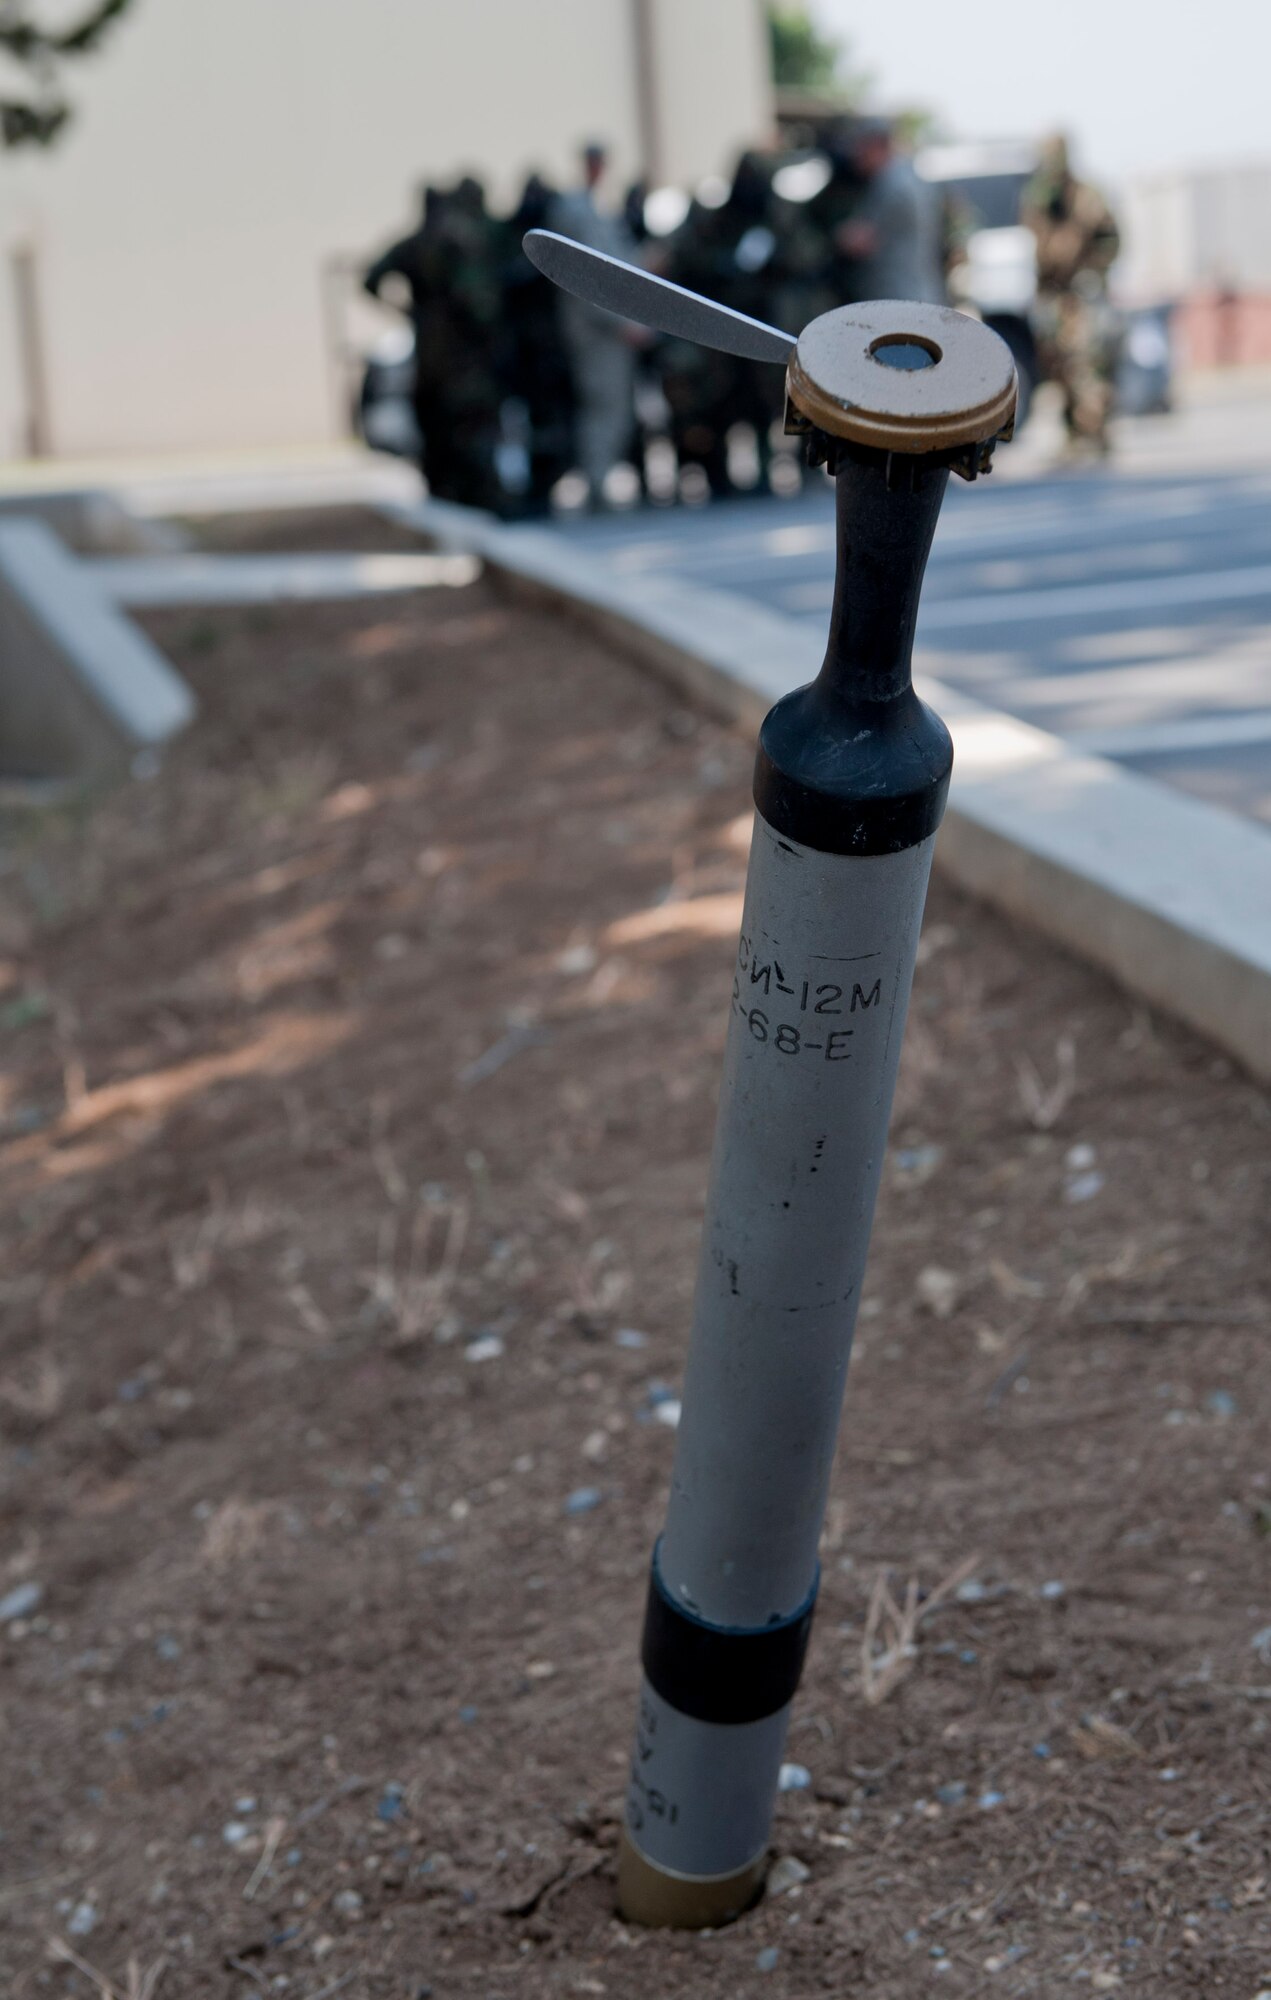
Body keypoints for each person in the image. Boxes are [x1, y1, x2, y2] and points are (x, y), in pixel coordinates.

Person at [365, 177, 505, 510]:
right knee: (471, 421)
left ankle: (442, 488)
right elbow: (478, 303)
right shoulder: (457, 244)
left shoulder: (411, 245)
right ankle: (476, 491)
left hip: (429, 349)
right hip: (461, 351)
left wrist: (405, 310)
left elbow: (371, 281)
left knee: (436, 422)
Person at [547, 142, 642, 505]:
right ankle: (597, 484)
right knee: (603, 408)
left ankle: (599, 480)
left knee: (612, 409)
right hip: (597, 333)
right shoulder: (577, 211)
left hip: (608, 330)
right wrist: (621, 324)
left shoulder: (594, 207)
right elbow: (588, 281)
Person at [1022, 134, 1122, 453]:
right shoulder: (1037, 197)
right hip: (1052, 294)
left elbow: (1111, 238)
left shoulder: (1087, 196)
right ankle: (1073, 433)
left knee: (1087, 364)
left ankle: (1095, 432)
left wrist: (1094, 272)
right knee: (1057, 365)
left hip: (1080, 293)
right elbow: (1034, 242)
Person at [834, 118, 945, 306]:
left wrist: (837, 234)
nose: (854, 155)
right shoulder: (911, 177)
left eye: (860, 147)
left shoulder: (890, 185)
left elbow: (859, 242)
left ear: (876, 145)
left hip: (898, 298)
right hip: (920, 293)